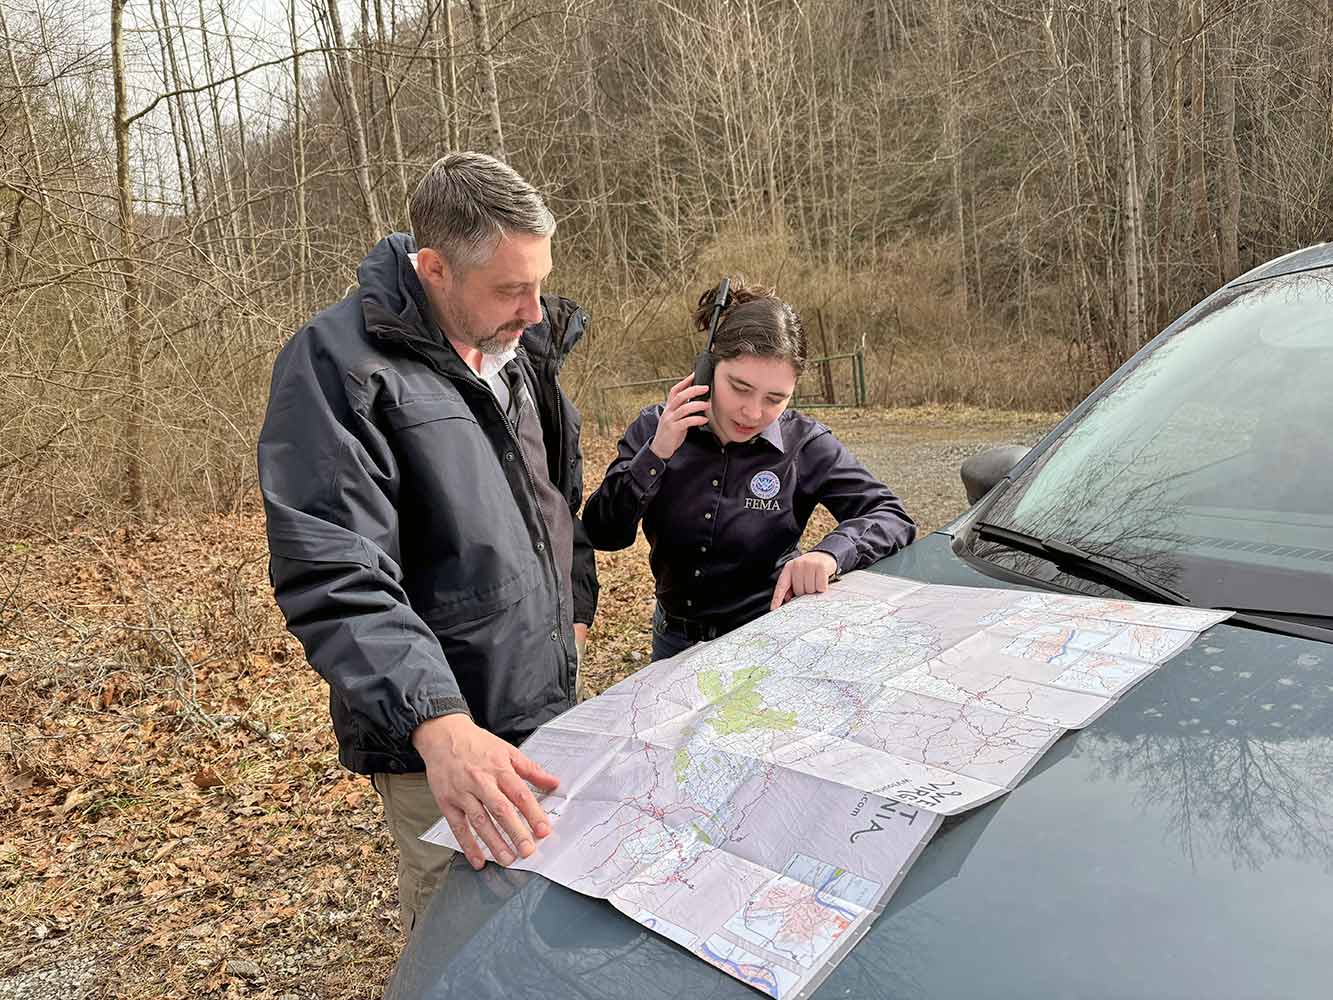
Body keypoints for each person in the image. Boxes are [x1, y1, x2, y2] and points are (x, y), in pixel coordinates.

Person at [257, 152, 598, 934]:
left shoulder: (521, 349)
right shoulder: (339, 367)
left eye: (539, 284)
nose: (536, 310)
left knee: (537, 913)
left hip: (542, 695)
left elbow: (551, 493)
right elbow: (334, 565)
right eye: (512, 289)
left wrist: (571, 604)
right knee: (458, 925)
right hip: (439, 735)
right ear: (435, 268)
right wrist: (437, 721)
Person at [583, 279, 915, 661]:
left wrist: (831, 554)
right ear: (707, 369)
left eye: (775, 398)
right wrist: (657, 453)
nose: (753, 413)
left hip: (766, 640)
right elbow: (601, 532)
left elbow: (890, 515)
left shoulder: (804, 444)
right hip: (673, 641)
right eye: (739, 387)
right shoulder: (654, 428)